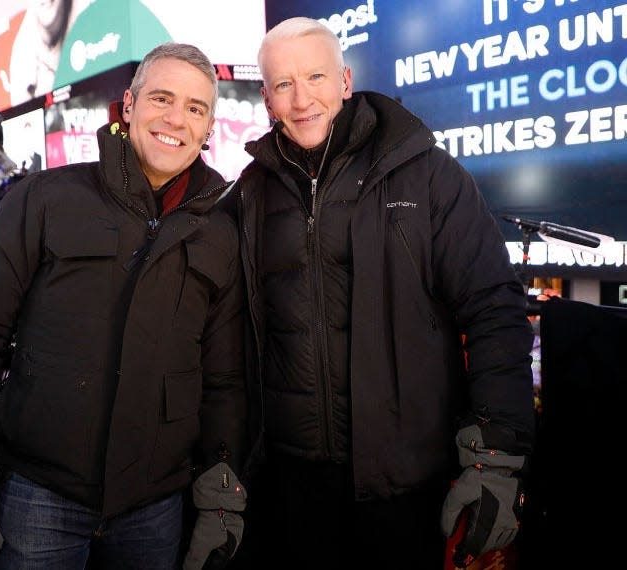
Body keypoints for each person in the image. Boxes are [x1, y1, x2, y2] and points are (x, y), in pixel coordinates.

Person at [0, 42, 247, 570]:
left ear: (209, 126)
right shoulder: (43, 199)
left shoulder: (222, 234)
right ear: (129, 105)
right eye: (161, 99)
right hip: (38, 498)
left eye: (195, 108)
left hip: (155, 507)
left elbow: (224, 376)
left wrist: (222, 477)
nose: (175, 119)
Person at [227, 16, 536, 570]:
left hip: (402, 483)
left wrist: (494, 457)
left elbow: (494, 306)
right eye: (284, 84)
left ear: (345, 81)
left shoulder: (426, 174)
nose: (302, 100)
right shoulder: (249, 194)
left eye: (316, 77)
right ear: (267, 97)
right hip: (288, 486)